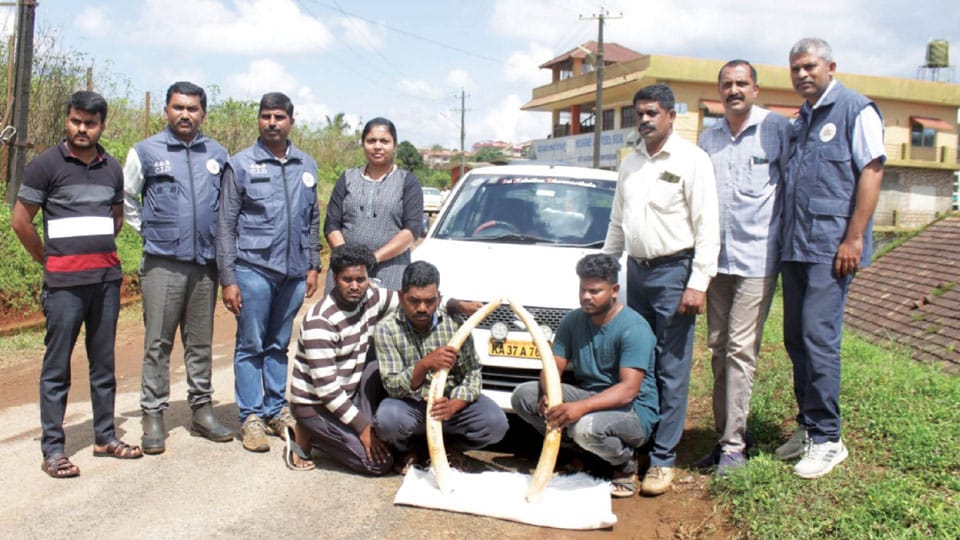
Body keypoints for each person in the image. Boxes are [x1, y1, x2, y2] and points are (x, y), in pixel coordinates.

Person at [11, 91, 143, 478]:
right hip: (64, 286)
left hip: (105, 282)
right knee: (57, 368)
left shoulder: (112, 168)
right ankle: (53, 449)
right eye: (75, 121)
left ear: (102, 126)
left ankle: (105, 437)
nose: (81, 129)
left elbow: (115, 218)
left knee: (104, 364)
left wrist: (96, 252)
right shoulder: (44, 165)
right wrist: (49, 260)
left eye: (90, 123)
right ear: (67, 120)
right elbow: (21, 221)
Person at [602, 83, 720, 496]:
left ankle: (663, 459)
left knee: (672, 366)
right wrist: (606, 269)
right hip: (636, 272)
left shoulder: (692, 160)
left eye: (652, 112)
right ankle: (641, 444)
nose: (645, 120)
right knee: (641, 363)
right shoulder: (630, 163)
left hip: (674, 274)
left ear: (671, 116)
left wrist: (698, 283)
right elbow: (618, 222)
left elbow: (708, 226)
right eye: (640, 113)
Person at [776, 38, 885, 479]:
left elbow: (872, 170)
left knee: (820, 340)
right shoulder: (800, 120)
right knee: (795, 339)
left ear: (830, 66)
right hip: (795, 247)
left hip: (831, 248)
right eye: (795, 68)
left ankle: (828, 438)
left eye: (809, 66)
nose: (802, 74)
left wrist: (854, 237)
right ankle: (808, 425)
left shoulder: (856, 110)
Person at [287, 244, 480, 474]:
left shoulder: (371, 297)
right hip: (316, 404)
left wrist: (457, 306)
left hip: (351, 394)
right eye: (347, 279)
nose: (355, 286)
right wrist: (363, 428)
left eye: (361, 279)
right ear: (335, 278)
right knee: (377, 463)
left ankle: (336, 434)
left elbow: (416, 300)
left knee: (381, 419)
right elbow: (327, 391)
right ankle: (307, 434)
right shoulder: (321, 321)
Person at [123, 81, 232, 454]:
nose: (185, 114)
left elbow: (226, 206)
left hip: (205, 265)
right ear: (166, 110)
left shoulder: (217, 153)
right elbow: (125, 198)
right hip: (163, 264)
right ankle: (153, 414)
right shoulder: (146, 152)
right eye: (178, 107)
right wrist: (150, 232)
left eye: (192, 108)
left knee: (200, 343)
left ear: (203, 113)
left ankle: (201, 410)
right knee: (158, 343)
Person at [695, 61, 791, 475]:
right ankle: (727, 435)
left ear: (755, 88)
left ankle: (734, 447)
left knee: (740, 349)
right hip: (716, 262)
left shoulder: (777, 130)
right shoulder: (707, 138)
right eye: (726, 85)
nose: (733, 90)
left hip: (757, 260)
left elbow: (792, 187)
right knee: (718, 348)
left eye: (741, 84)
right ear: (719, 91)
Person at [217, 92, 322, 453]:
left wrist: (313, 264)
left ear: (291, 121)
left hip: (294, 272)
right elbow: (226, 223)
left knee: (279, 344)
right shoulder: (241, 164)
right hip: (253, 269)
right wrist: (228, 278)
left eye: (279, 116)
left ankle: (276, 409)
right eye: (266, 116)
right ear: (258, 121)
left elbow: (312, 219)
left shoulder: (306, 165)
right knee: (251, 345)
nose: (272, 123)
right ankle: (251, 418)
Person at [510, 254, 659, 498]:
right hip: (590, 398)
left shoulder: (634, 328)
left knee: (585, 427)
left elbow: (628, 391)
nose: (586, 297)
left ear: (614, 290)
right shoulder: (573, 320)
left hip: (632, 411)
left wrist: (580, 408)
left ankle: (625, 464)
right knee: (523, 396)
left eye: (595, 291)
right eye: (582, 290)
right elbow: (552, 366)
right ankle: (581, 455)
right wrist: (548, 393)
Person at [373, 261, 508, 472]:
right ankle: (410, 450)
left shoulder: (455, 325)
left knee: (495, 423)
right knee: (387, 420)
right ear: (401, 296)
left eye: (429, 301)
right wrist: (425, 364)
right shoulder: (386, 329)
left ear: (439, 299)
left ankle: (451, 450)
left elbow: (473, 373)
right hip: (413, 406)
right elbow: (392, 386)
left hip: (450, 406)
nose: (422, 308)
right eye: (414, 301)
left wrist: (454, 405)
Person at [323, 117, 423, 292]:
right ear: (363, 144)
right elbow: (332, 225)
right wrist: (349, 261)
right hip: (345, 274)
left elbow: (411, 231)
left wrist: (373, 258)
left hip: (391, 272)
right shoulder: (347, 178)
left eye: (384, 141)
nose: (377, 146)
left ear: (394, 145)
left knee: (385, 318)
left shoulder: (407, 181)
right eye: (371, 141)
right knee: (339, 318)